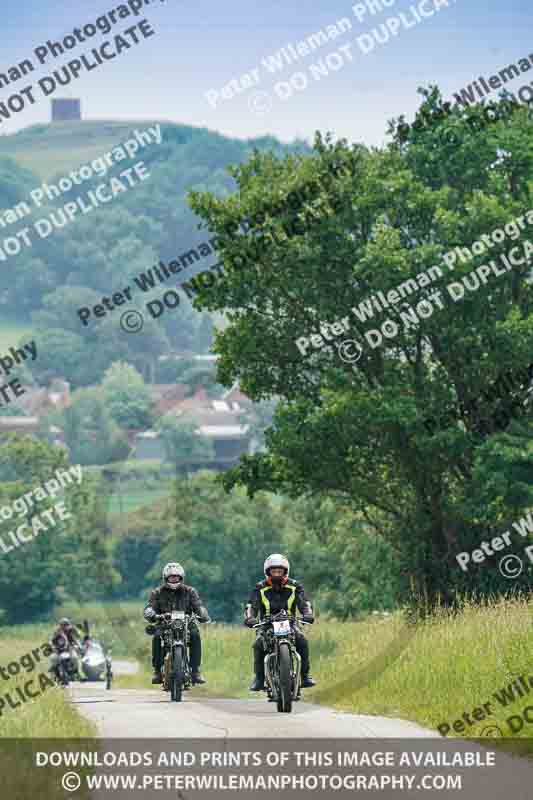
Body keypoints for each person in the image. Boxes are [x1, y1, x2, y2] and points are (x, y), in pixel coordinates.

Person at [244, 553, 316, 691]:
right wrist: (250, 618)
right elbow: (251, 606)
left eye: (279, 571)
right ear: (267, 572)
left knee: (302, 640)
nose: (277, 574)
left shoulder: (295, 586)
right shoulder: (259, 587)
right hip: (266, 624)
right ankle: (259, 678)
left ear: (285, 571)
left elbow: (304, 603)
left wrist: (308, 614)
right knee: (258, 644)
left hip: (290, 623)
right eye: (273, 571)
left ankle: (305, 676)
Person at [143, 562, 210, 685]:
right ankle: (157, 671)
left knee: (195, 635)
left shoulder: (190, 591)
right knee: (157, 637)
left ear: (181, 577)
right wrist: (151, 613)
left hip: (186, 622)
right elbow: (150, 607)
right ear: (166, 578)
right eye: (171, 577)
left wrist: (202, 614)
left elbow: (198, 605)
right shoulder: (157, 592)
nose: (174, 579)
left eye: (176, 576)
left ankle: (195, 671)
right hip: (164, 622)